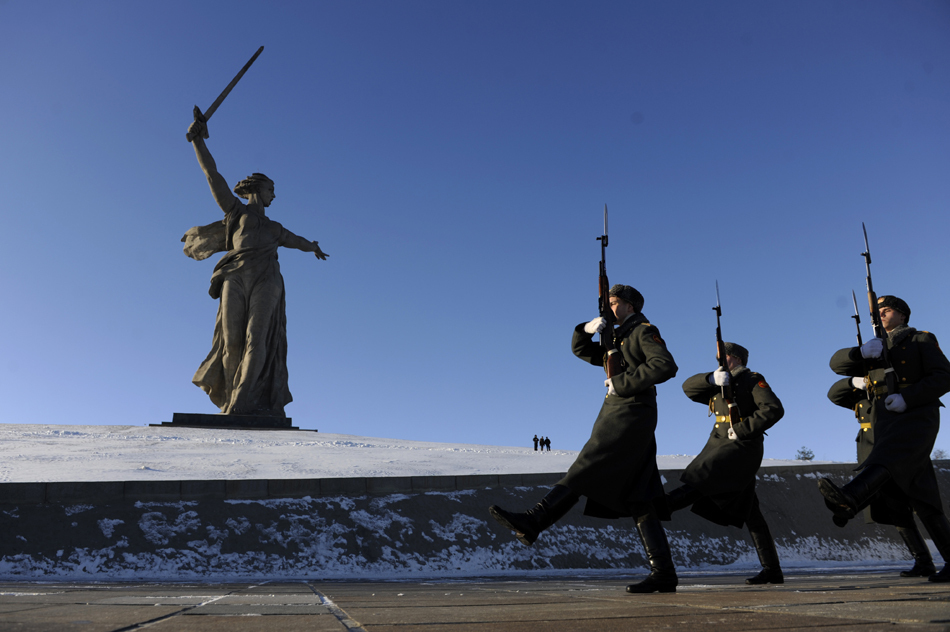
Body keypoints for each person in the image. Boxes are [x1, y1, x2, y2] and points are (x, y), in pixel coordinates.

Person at [489, 285, 679, 593]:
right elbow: (582, 351)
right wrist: (585, 329)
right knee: (639, 496)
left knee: (589, 461)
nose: (608, 307)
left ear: (629, 307)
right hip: (623, 409)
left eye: (613, 303)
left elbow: (665, 365)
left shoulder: (643, 331)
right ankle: (664, 573)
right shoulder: (616, 336)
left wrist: (623, 383)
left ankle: (535, 520)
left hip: (631, 410)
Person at [184, 116, 328, 417]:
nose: (274, 195)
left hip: (267, 279)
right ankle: (231, 401)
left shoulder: (275, 228)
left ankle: (241, 402)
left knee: (256, 338)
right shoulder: (236, 212)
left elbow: (296, 240)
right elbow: (213, 176)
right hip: (234, 275)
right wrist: (198, 142)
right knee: (231, 341)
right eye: (271, 189)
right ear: (257, 189)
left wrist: (313, 246)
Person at [819, 296, 950, 582]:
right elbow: (835, 365)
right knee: (922, 496)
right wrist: (860, 354)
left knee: (886, 459)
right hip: (885, 420)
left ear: (903, 316)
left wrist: (908, 397)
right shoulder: (876, 349)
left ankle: (852, 496)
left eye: (886, 310)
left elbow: (944, 377)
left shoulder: (920, 339)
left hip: (916, 414)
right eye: (876, 313)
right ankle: (931, 561)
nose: (879, 315)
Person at [668, 343, 785, 585]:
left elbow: (774, 409)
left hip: (741, 447)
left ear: (737, 359)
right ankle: (772, 570)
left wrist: (742, 429)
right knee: (752, 512)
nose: (720, 362)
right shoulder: (721, 382)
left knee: (703, 475)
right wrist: (711, 379)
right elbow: (688, 389)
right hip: (720, 444)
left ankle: (663, 505)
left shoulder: (752, 379)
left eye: (724, 358)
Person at [827, 377, 935, 577]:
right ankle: (923, 562)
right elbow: (834, 394)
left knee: (924, 507)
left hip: (898, 454)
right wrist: (853, 382)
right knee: (897, 512)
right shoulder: (862, 396)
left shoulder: (892, 392)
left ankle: (848, 508)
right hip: (874, 457)